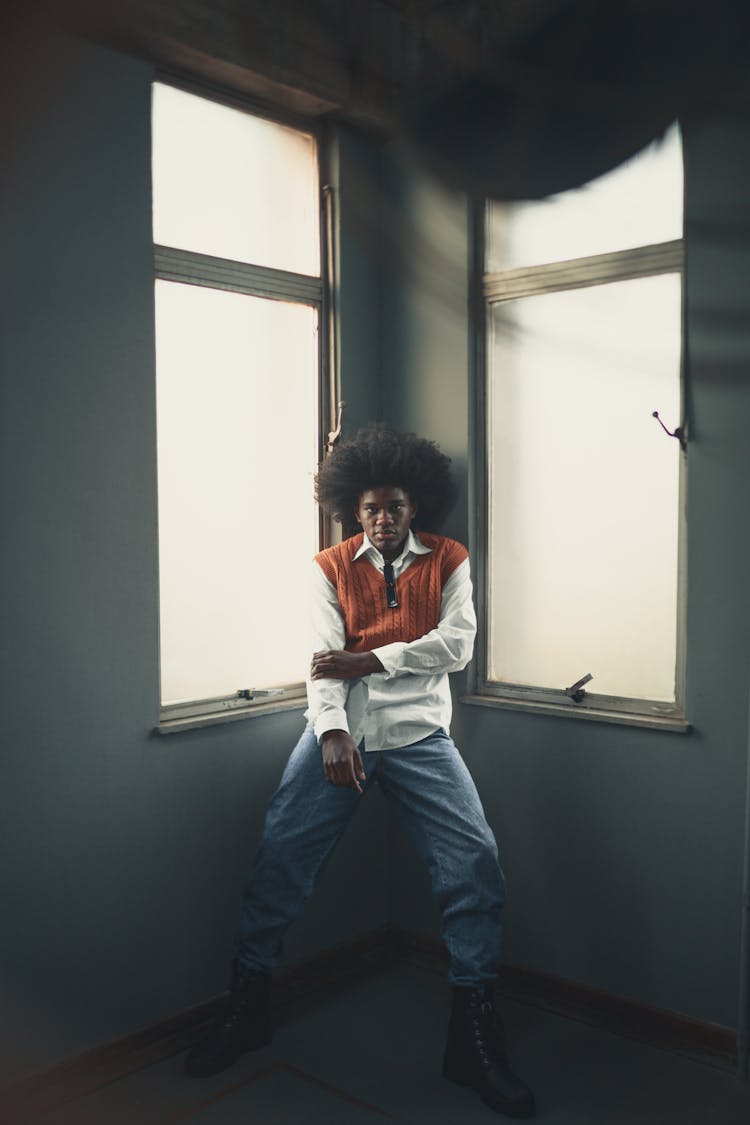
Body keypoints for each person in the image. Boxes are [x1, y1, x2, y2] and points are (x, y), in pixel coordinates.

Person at [185, 424, 535, 1119]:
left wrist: (369, 658)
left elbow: (456, 645)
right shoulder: (327, 566)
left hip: (420, 735)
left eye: (395, 507)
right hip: (339, 731)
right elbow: (323, 660)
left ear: (416, 507)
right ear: (353, 507)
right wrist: (336, 729)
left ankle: (471, 1036)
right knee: (282, 854)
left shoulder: (450, 559)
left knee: (475, 863)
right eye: (371, 507)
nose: (382, 519)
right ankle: (247, 1009)